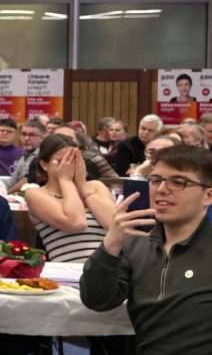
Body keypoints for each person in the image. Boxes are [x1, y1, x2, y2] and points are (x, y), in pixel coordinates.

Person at [81, 144, 212, 355]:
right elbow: (97, 300)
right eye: (155, 180)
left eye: (178, 182)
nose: (161, 189)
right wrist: (112, 241)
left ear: (209, 195)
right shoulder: (136, 243)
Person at [25, 134, 116, 263]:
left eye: (73, 160)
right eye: (61, 161)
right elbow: (77, 223)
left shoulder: (95, 186)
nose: (68, 166)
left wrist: (82, 183)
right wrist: (65, 181)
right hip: (68, 269)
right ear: (44, 165)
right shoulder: (35, 194)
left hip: (106, 267)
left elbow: (114, 225)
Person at [53, 125, 119, 180]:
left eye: (69, 138)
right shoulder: (48, 159)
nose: (63, 142)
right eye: (59, 138)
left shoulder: (92, 158)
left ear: (78, 142)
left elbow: (115, 181)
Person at [4, 121, 46, 192]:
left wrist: (6, 195)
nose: (26, 138)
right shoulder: (24, 155)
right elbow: (12, 182)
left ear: (42, 138)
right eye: (24, 134)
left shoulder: (43, 157)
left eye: (31, 135)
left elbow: (27, 181)